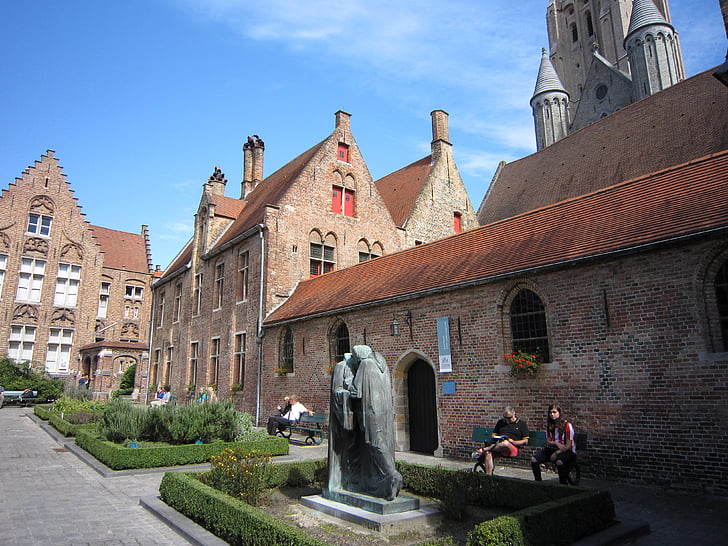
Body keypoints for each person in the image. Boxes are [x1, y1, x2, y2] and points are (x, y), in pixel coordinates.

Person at [473, 406, 530, 475]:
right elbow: (493, 435)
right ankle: (488, 477)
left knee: (505, 443)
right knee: (488, 454)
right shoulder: (501, 422)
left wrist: (513, 442)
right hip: (498, 446)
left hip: (512, 447)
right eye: (505, 418)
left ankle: (483, 450)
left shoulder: (522, 424)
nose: (507, 420)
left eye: (509, 418)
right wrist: (498, 437)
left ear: (514, 414)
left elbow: (525, 441)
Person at [531, 404, 576, 484]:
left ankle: (563, 483)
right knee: (534, 459)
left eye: (554, 412)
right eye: (550, 412)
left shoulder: (567, 426)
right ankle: (538, 482)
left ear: (559, 413)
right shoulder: (550, 425)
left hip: (567, 451)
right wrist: (556, 444)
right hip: (553, 448)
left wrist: (556, 453)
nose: (552, 414)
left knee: (559, 462)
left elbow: (568, 445)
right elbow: (549, 441)